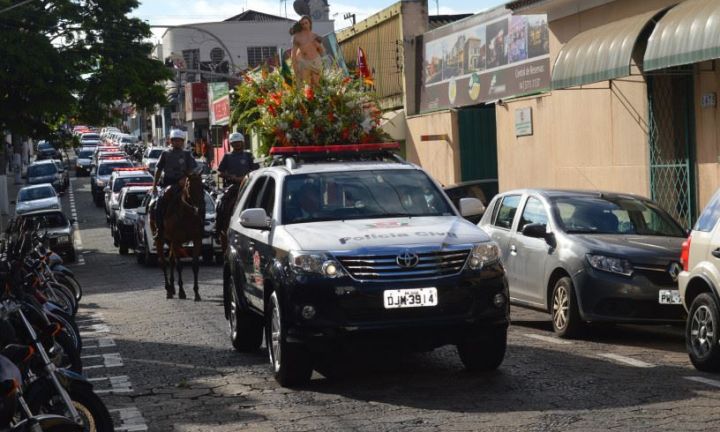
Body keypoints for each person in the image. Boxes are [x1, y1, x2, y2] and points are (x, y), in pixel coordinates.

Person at [152, 129, 199, 239]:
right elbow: (158, 170)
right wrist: (154, 186)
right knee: (158, 204)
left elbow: (193, 170)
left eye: (179, 141)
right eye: (175, 140)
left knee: (199, 201)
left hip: (184, 185)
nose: (177, 143)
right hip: (168, 184)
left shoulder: (187, 154)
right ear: (171, 141)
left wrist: (185, 179)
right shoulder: (165, 153)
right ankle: (159, 229)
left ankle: (202, 228)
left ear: (183, 141)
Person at [291, 15, 325, 87]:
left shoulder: (315, 36)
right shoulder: (297, 37)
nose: (304, 25)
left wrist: (318, 45)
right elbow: (293, 55)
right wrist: (295, 69)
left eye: (306, 23)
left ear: (310, 24)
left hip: (316, 61)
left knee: (316, 84)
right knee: (306, 86)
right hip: (304, 63)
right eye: (302, 24)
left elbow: (322, 51)